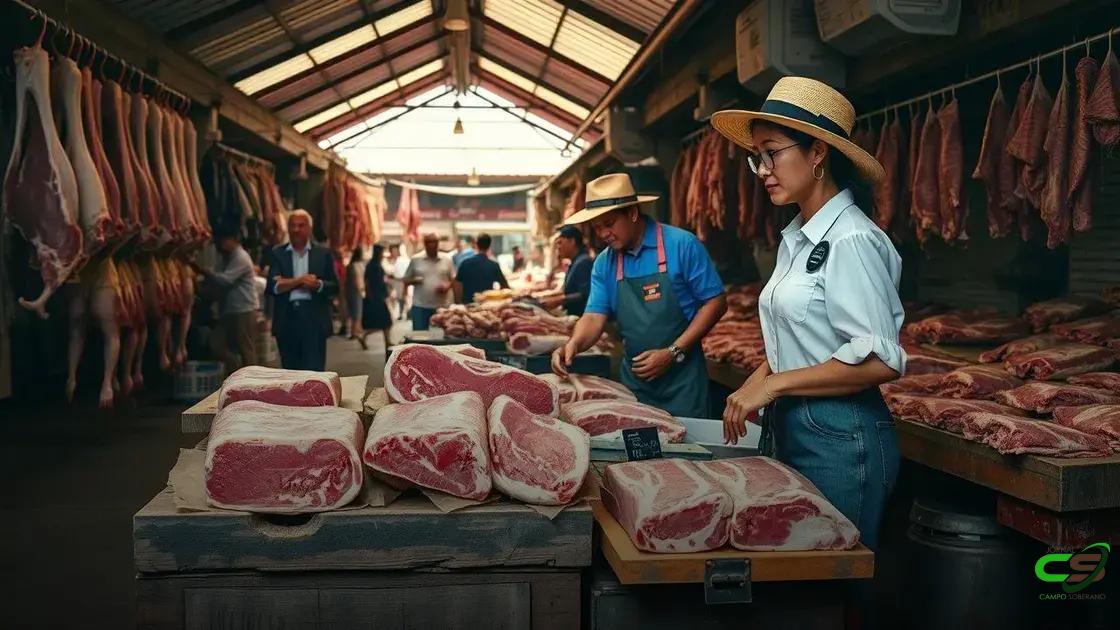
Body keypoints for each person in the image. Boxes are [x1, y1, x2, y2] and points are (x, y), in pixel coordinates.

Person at [710, 77, 904, 551]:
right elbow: (796, 338)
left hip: (843, 437)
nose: (762, 169)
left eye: (772, 152)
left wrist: (774, 384)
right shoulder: (797, 238)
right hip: (796, 424)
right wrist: (755, 382)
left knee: (834, 583)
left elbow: (881, 360)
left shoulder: (852, 239)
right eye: (758, 156)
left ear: (818, 152)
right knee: (798, 581)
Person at [551, 173, 727, 418]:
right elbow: (593, 316)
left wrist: (673, 352)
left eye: (609, 223)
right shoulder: (604, 263)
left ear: (632, 213)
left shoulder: (682, 245)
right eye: (597, 227)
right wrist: (574, 344)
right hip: (634, 385)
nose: (603, 233)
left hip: (683, 383)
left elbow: (716, 303)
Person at [265, 210, 339, 371]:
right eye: (292, 226)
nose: (296, 229)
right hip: (287, 318)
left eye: (301, 225)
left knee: (315, 372)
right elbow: (273, 287)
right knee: (290, 372)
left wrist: (317, 284)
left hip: (314, 318)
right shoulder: (278, 253)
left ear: (309, 229)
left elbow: (335, 286)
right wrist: (300, 280)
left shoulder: (323, 254)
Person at [198, 229, 260, 373]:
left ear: (232, 240)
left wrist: (207, 273)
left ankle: (252, 381)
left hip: (244, 309)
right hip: (229, 310)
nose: (219, 246)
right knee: (216, 344)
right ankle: (236, 370)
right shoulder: (226, 257)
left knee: (246, 349)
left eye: (222, 241)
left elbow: (226, 280)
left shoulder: (241, 257)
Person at [403, 233, 454, 330]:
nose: (432, 245)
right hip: (420, 306)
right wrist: (415, 280)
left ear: (438, 243)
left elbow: (453, 280)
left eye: (435, 242)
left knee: (442, 337)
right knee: (420, 336)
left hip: (442, 306)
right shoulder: (416, 259)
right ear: (425, 244)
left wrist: (447, 286)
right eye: (429, 242)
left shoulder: (447, 259)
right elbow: (406, 279)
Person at [540, 225, 592, 315]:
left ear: (572, 241)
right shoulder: (576, 261)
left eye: (560, 243)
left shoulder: (583, 262)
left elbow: (585, 294)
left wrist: (559, 300)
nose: (558, 247)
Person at [454, 233, 509, 304]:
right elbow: (505, 288)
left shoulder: (465, 263)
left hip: (467, 305)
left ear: (476, 245)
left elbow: (457, 284)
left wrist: (458, 302)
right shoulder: (493, 266)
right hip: (485, 306)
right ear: (489, 246)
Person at [359, 244, 393, 352]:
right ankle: (365, 336)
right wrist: (371, 296)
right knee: (385, 321)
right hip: (376, 297)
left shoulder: (374, 264)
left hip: (377, 295)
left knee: (384, 322)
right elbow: (368, 282)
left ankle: (387, 341)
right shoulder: (374, 265)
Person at [345, 248, 366, 349]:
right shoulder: (358, 265)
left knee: (355, 311)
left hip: (351, 290)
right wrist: (361, 288)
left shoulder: (352, 265)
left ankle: (354, 331)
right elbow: (358, 279)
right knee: (357, 310)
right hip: (356, 290)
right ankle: (356, 331)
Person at [385, 243, 409, 320]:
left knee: (401, 298)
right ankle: (391, 314)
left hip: (400, 282)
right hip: (390, 283)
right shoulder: (387, 260)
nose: (395, 252)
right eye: (393, 251)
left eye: (396, 251)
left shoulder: (402, 260)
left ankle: (401, 313)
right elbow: (387, 271)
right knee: (392, 298)